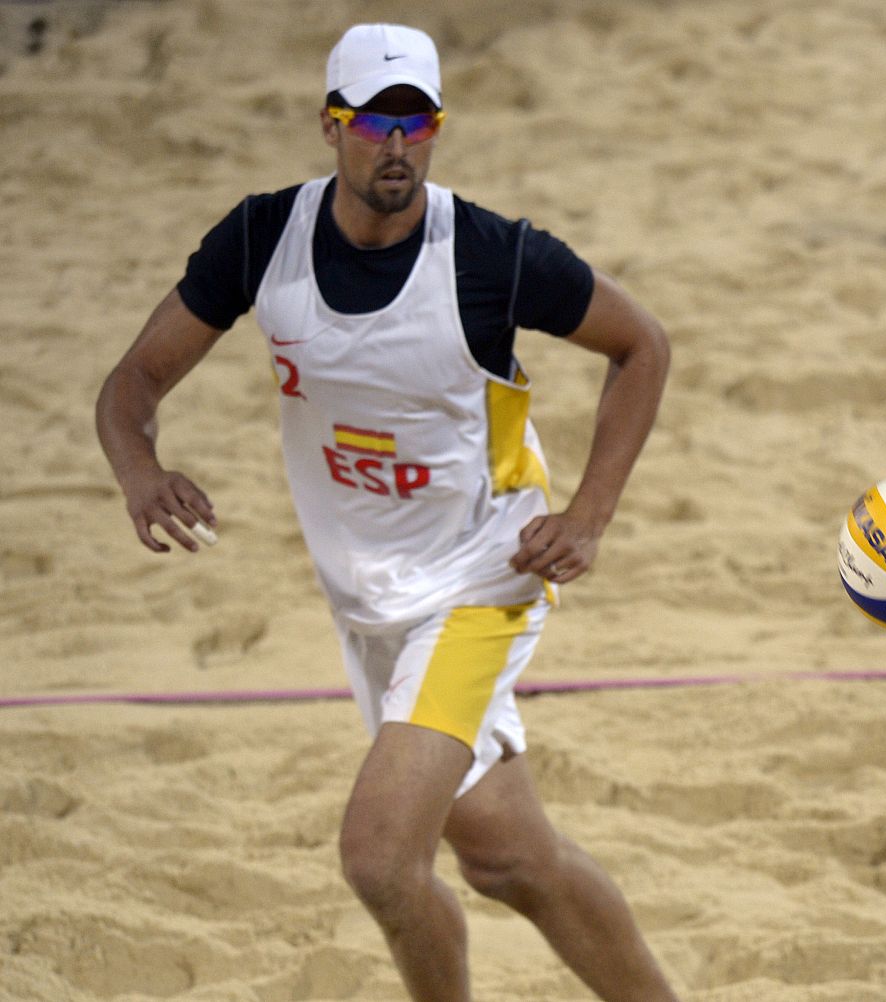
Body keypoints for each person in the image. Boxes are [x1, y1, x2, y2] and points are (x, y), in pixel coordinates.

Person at [95, 23, 679, 1002]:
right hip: (364, 598)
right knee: (508, 861)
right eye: (376, 123)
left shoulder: (491, 255)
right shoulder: (259, 239)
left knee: (376, 858)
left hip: (479, 579)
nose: (398, 145)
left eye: (417, 122)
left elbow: (643, 346)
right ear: (332, 127)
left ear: (437, 130)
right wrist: (138, 471)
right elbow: (131, 386)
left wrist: (589, 513)